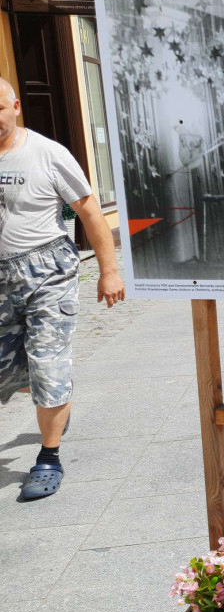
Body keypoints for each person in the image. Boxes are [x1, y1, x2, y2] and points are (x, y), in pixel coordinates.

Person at [0, 77, 125, 500]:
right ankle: (46, 393)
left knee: (49, 364)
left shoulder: (48, 153)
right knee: (12, 372)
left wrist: (109, 271)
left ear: (16, 106)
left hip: (46, 270)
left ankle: (48, 457)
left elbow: (90, 211)